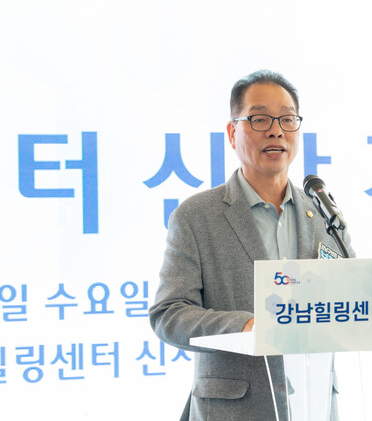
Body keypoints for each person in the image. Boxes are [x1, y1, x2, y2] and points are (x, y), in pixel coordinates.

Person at [149, 70, 354, 421]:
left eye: (287, 119)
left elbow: (351, 296)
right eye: (260, 119)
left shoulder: (323, 213)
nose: (276, 131)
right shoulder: (196, 216)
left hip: (315, 404)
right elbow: (168, 314)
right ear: (232, 133)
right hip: (234, 409)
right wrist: (245, 326)